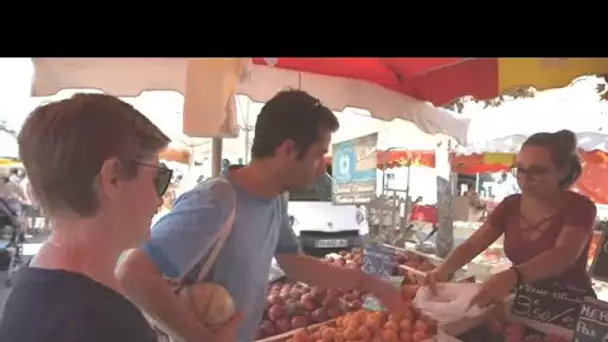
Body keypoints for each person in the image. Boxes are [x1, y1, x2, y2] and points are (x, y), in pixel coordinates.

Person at [117, 90, 404, 342]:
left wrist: (369, 282)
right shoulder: (217, 200)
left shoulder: (275, 199)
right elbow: (134, 274)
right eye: (318, 155)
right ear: (288, 149)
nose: (321, 169)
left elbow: (295, 264)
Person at [0, 93, 172, 342]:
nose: (159, 199)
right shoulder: (102, 322)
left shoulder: (35, 286)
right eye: (157, 178)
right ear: (112, 177)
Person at [425, 130, 596, 307]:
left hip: (572, 306)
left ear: (563, 171)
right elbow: (473, 244)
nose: (525, 179)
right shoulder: (511, 205)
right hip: (525, 303)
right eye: (520, 170)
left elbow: (563, 255)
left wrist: (513, 276)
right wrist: (444, 270)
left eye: (537, 171)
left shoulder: (580, 207)